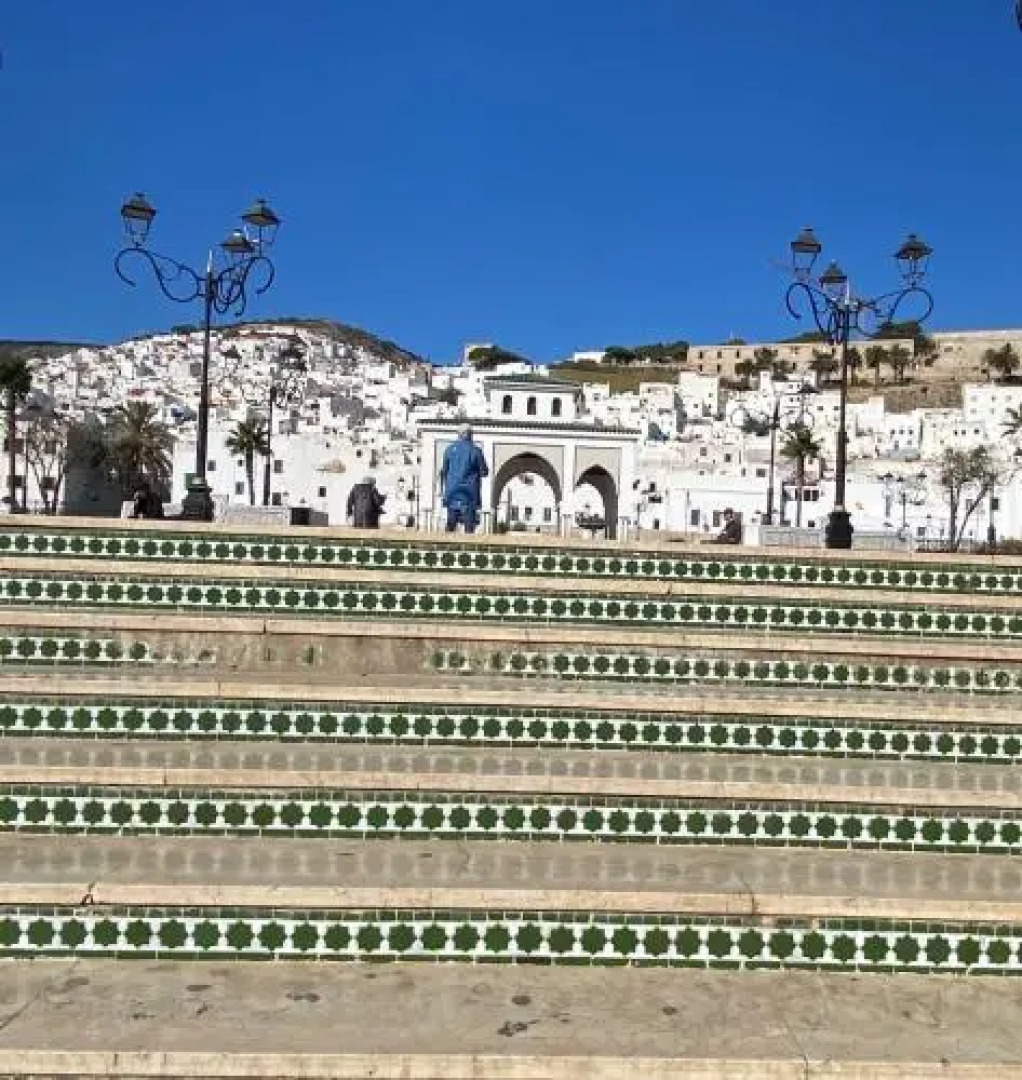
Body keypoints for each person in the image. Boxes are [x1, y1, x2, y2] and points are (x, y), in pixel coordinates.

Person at [440, 425, 488, 534]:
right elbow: (484, 472)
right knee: (469, 527)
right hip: (469, 494)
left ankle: (447, 543)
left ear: (459, 434)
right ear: (469, 434)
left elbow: (444, 471)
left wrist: (443, 491)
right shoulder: (476, 451)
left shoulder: (449, 450)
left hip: (452, 493)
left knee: (450, 525)